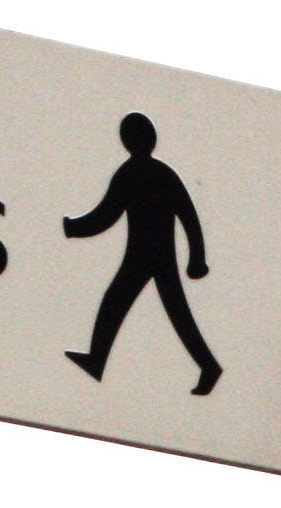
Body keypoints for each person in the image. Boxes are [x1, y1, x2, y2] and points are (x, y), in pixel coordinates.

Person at [64, 112, 221, 395]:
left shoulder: (134, 173)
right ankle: (97, 359)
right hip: (147, 254)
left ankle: (208, 366)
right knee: (131, 303)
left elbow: (107, 215)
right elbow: (187, 217)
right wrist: (196, 256)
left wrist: (72, 227)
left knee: (168, 311)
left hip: (150, 255)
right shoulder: (158, 173)